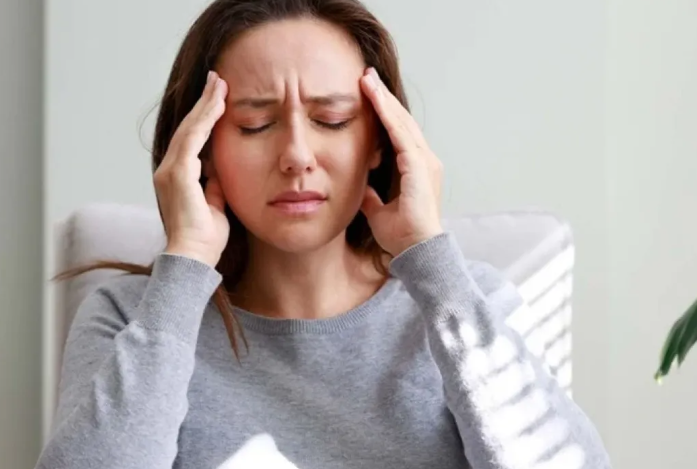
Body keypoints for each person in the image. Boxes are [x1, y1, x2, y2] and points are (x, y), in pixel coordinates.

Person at [36, 0, 612, 468]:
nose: (296, 155)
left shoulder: (469, 301)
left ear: (382, 139)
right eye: (255, 124)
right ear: (201, 148)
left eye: (332, 120)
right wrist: (184, 268)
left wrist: (432, 262)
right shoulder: (130, 316)